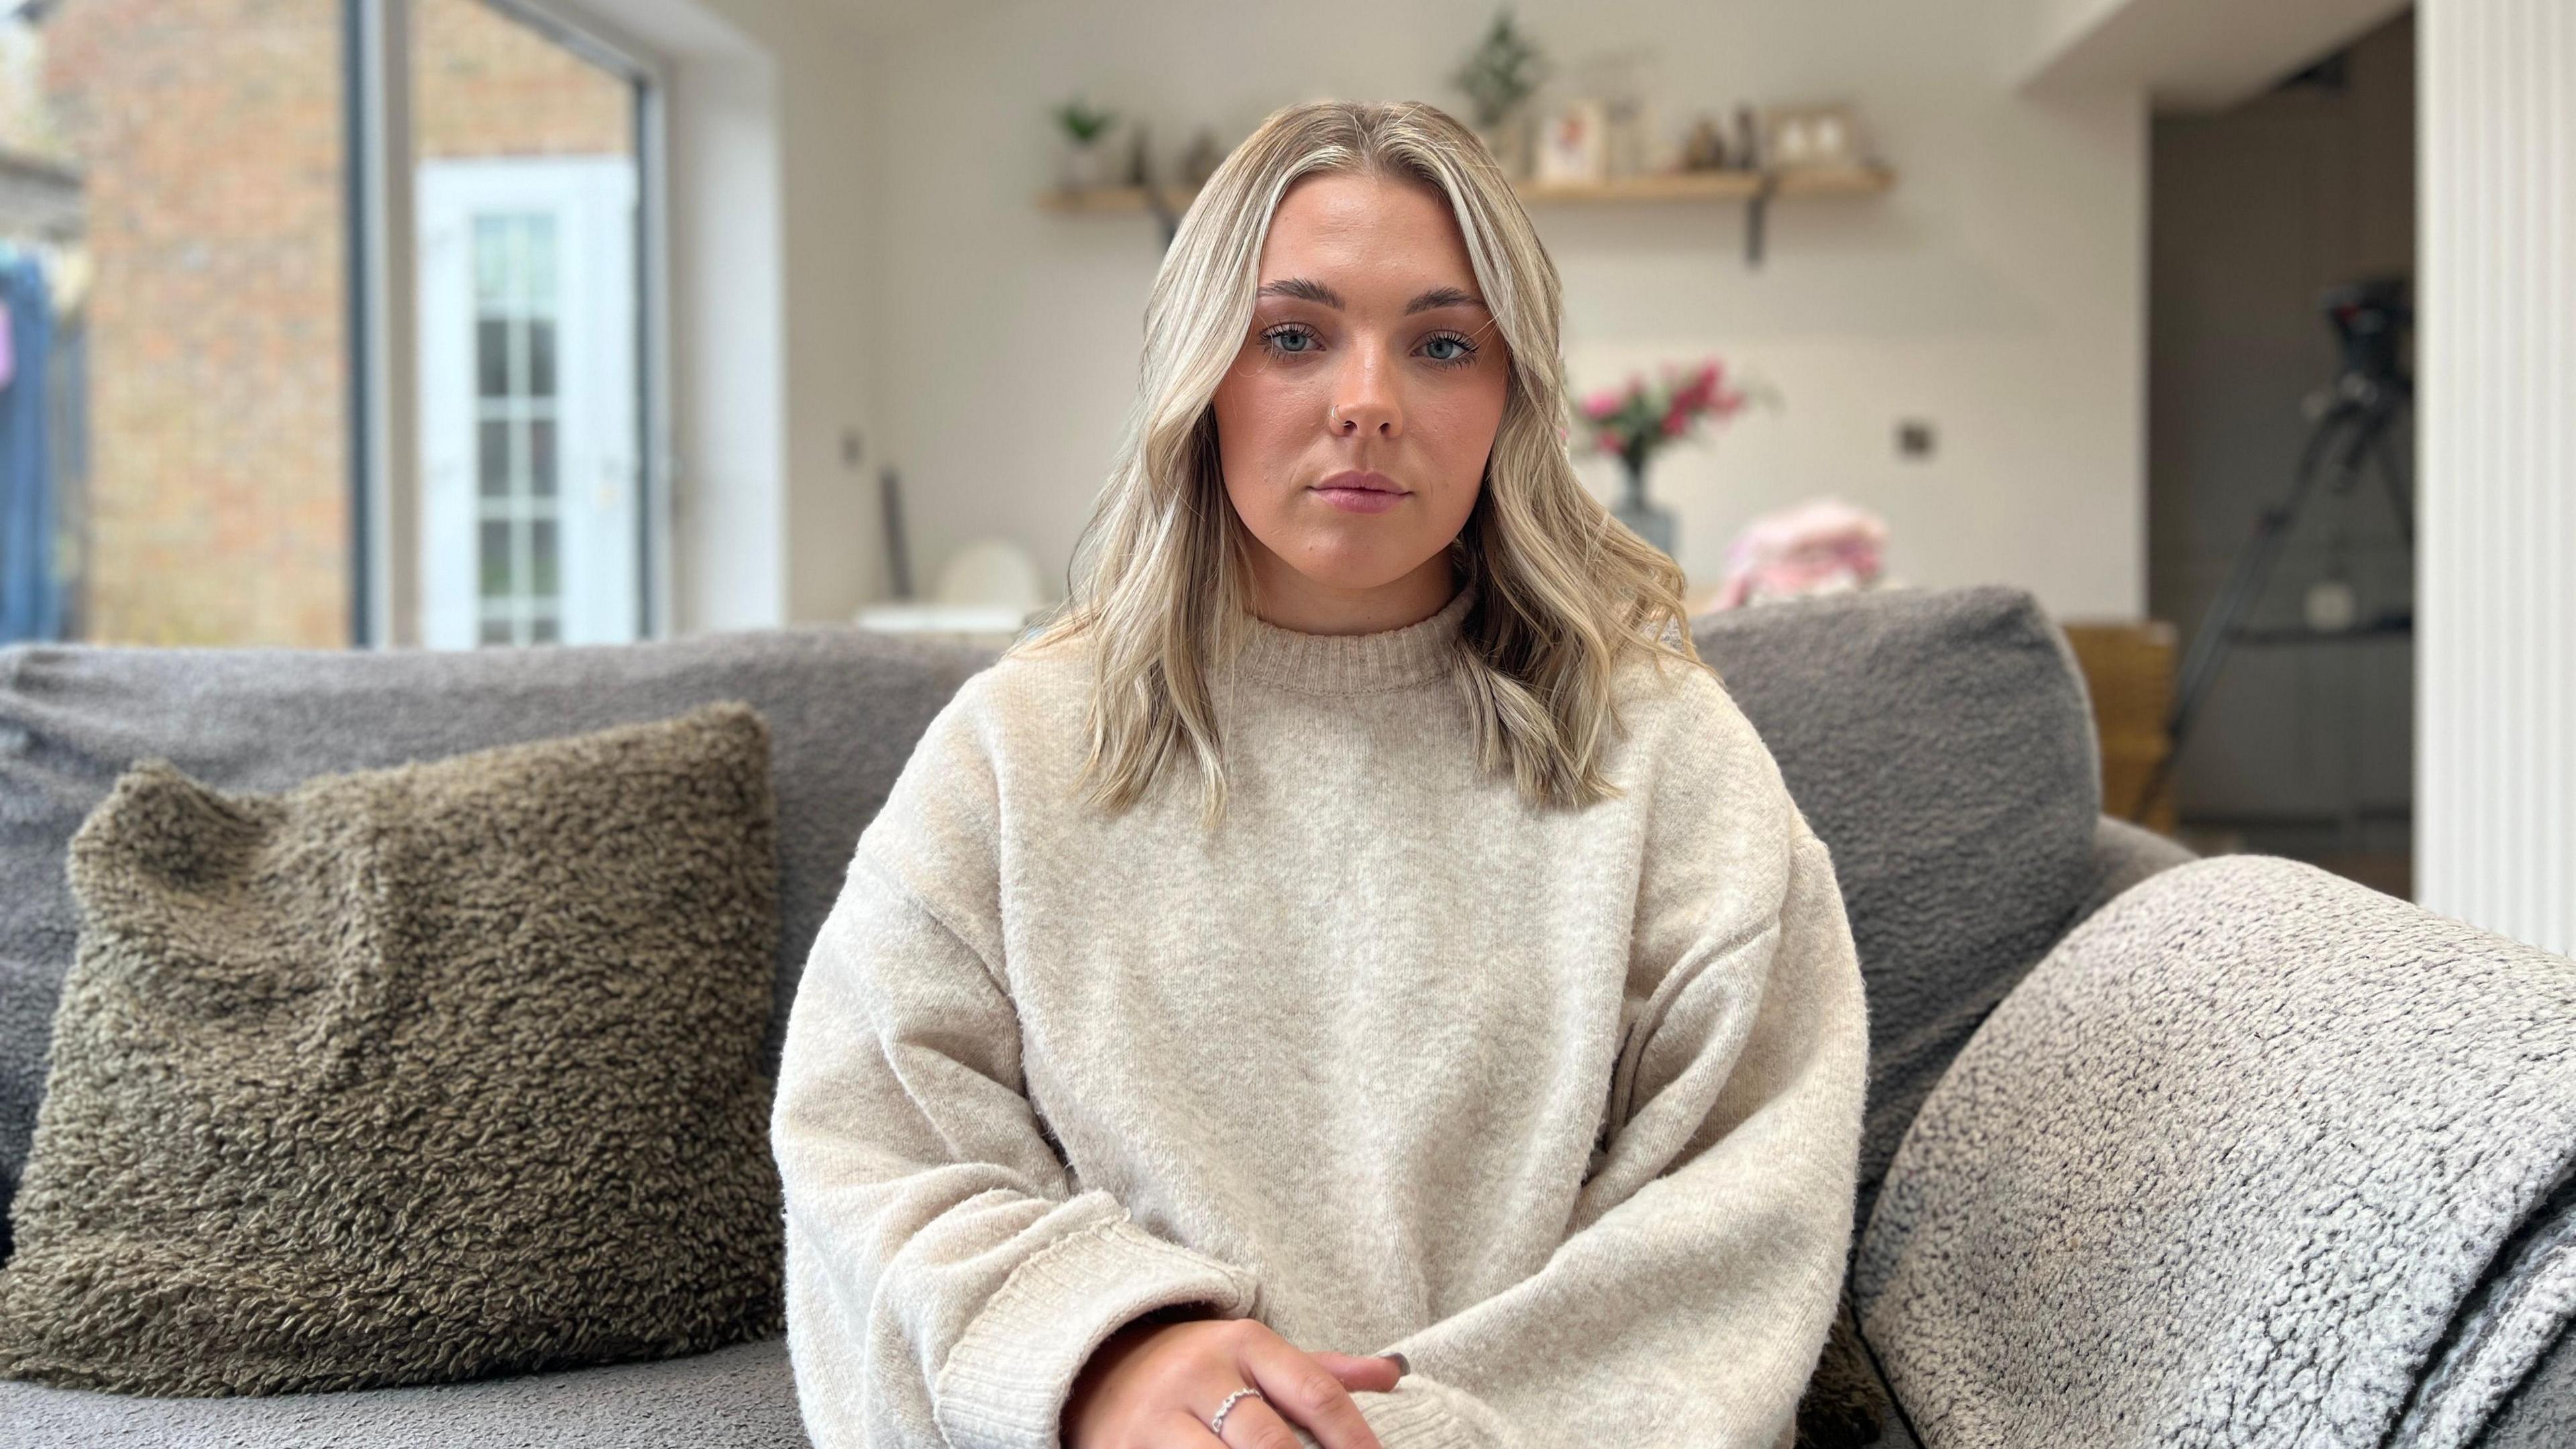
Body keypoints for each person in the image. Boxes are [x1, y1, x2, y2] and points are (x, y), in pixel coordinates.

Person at [769, 99, 1868, 1449]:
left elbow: (1744, 1213)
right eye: (1293, 337)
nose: (1367, 403)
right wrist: (1101, 1358)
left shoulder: (1668, 752)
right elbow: (868, 1152)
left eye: (1443, 344)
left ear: (1508, 396)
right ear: (1201, 374)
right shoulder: (1014, 750)